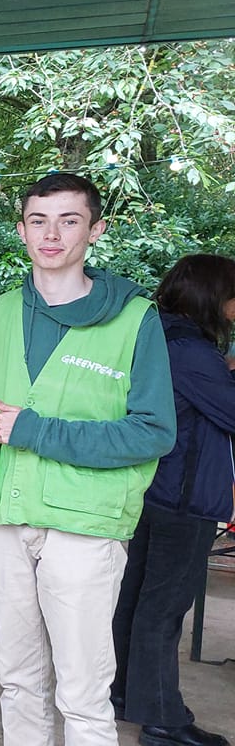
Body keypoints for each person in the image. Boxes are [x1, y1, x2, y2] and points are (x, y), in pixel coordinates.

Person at [0, 173, 176, 746]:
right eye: (39, 220)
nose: (52, 234)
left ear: (95, 230)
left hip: (84, 525)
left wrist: (39, 431)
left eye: (69, 220)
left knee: (83, 693)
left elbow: (154, 433)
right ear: (22, 229)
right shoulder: (3, 310)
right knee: (17, 680)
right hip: (3, 517)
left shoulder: (135, 318)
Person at [111, 254, 235, 746]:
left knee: (138, 599)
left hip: (151, 490)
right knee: (164, 608)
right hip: (182, 499)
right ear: (211, 297)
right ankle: (163, 720)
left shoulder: (159, 334)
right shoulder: (190, 351)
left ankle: (124, 694)